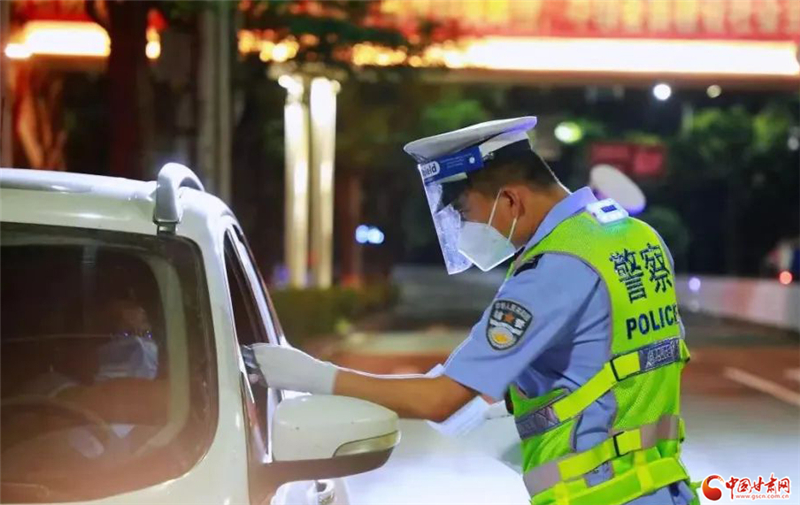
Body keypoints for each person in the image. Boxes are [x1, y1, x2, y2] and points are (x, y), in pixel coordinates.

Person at [252, 117, 698, 505]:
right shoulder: (636, 237)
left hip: (595, 495)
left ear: (511, 201)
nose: (465, 230)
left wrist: (311, 375)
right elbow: (612, 366)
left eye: (465, 212)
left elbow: (441, 399)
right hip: (661, 486)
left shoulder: (551, 268)